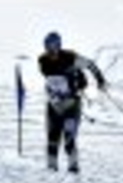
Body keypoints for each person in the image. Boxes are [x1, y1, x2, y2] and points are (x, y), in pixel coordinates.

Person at [37, 31, 106, 174]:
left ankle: (73, 167)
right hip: (54, 105)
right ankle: (51, 168)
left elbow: (90, 64)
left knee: (69, 137)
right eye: (48, 46)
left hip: (71, 105)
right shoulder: (42, 61)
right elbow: (50, 83)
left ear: (59, 45)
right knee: (52, 138)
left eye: (54, 46)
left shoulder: (70, 57)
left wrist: (100, 80)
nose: (51, 50)